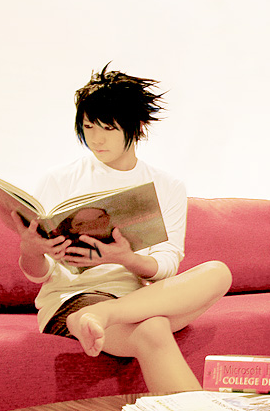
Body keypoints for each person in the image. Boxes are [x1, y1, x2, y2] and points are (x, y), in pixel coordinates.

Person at [12, 65, 232, 393]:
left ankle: (105, 313)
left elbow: (167, 265)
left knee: (218, 272)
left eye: (109, 127)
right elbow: (40, 274)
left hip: (136, 296)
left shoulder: (167, 185)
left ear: (137, 127)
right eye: (88, 126)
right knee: (154, 329)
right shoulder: (58, 180)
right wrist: (30, 251)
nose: (96, 138)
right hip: (72, 298)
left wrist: (126, 259)